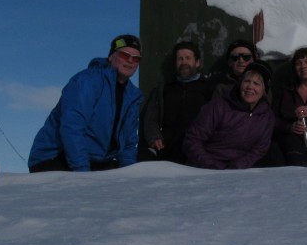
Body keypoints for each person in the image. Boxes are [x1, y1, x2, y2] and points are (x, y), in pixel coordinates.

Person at [28, 34, 143, 172]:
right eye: (125, 55)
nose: (130, 60)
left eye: (136, 58)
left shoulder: (132, 97)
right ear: (111, 56)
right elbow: (72, 128)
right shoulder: (87, 81)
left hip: (95, 162)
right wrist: (83, 175)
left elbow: (129, 143)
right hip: (55, 157)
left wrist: (129, 176)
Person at [183, 61, 274, 169]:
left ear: (264, 90)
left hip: (238, 171)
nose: (250, 86)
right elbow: (193, 140)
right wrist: (213, 165)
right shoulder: (219, 106)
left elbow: (259, 150)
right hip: (205, 167)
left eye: (256, 84)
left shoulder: (267, 117)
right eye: (247, 81)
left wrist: (236, 166)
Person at [139, 41, 213, 163]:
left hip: (198, 151)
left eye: (188, 58)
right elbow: (151, 118)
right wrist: (154, 137)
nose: (184, 62)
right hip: (165, 151)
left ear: (197, 62)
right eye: (180, 59)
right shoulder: (163, 89)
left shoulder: (209, 88)